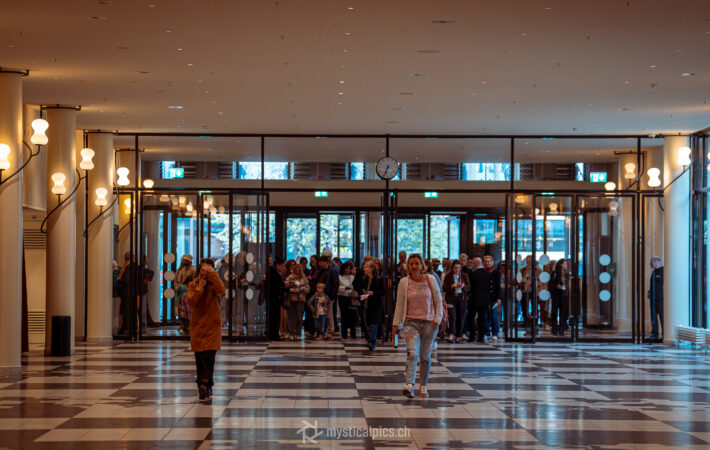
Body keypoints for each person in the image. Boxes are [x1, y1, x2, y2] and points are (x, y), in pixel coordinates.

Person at [392, 253, 443, 398]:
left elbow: (438, 300)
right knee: (412, 354)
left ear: (422, 266)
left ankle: (423, 385)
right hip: (410, 323)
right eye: (411, 264)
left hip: (429, 323)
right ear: (408, 266)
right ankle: (409, 385)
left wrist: (437, 319)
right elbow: (399, 305)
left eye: (417, 263)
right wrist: (395, 324)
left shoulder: (430, 279)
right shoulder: (404, 282)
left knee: (425, 356)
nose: (414, 266)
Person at [187, 258, 225, 401]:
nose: (206, 272)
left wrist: (214, 275)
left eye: (209, 269)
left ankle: (204, 384)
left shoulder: (214, 284)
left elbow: (221, 290)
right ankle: (205, 384)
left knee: (209, 356)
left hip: (212, 325)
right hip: (198, 325)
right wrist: (200, 288)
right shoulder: (193, 284)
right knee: (200, 357)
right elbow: (192, 301)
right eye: (203, 269)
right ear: (199, 270)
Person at [356, 260, 385, 350]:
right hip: (366, 303)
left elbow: (383, 292)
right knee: (367, 324)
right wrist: (363, 292)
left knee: (373, 324)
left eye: (366, 267)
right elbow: (359, 289)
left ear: (371, 268)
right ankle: (370, 340)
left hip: (375, 304)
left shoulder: (379, 279)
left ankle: (372, 342)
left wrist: (373, 293)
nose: (364, 269)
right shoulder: (364, 279)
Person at [443, 260, 470, 343]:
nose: (457, 269)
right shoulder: (448, 276)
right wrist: (452, 286)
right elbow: (444, 288)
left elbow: (469, 287)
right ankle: (451, 334)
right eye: (455, 268)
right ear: (452, 268)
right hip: (451, 298)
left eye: (458, 268)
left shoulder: (464, 275)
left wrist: (463, 286)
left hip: (461, 298)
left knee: (461, 317)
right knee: (452, 316)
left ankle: (458, 335)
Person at [468, 257, 491, 343]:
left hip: (474, 298)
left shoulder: (473, 273)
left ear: (476, 264)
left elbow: (470, 286)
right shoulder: (488, 273)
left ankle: (472, 336)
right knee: (482, 318)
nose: (473, 265)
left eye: (473, 264)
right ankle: (481, 336)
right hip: (485, 299)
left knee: (471, 317)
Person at [285, 264, 310, 340]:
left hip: (300, 299)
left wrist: (302, 288)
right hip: (291, 299)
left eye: (299, 270)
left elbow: (308, 290)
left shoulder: (304, 278)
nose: (297, 272)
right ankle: (291, 332)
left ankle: (298, 333)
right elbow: (285, 286)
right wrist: (290, 287)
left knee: (299, 317)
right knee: (290, 317)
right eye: (296, 270)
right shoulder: (290, 277)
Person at [175, 254, 197, 335]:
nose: (183, 261)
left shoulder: (193, 270)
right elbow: (176, 280)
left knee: (188, 310)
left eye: (185, 260)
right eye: (183, 260)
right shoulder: (181, 270)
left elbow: (195, 281)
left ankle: (189, 327)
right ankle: (184, 326)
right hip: (181, 292)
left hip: (189, 292)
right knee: (181, 310)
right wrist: (177, 287)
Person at [267, 257, 286, 340]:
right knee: (274, 317)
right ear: (277, 265)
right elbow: (276, 284)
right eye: (282, 266)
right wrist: (284, 285)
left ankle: (274, 334)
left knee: (275, 317)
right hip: (274, 299)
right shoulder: (273, 273)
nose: (283, 268)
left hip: (275, 299)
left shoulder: (275, 272)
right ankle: (274, 335)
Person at [550, 259, 570, 337]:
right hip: (556, 295)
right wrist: (556, 286)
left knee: (563, 312)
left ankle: (561, 328)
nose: (566, 265)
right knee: (554, 312)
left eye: (566, 264)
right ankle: (554, 328)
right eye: (565, 264)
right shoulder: (554, 273)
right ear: (561, 264)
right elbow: (551, 284)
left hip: (564, 295)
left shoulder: (566, 274)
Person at [483, 255, 501, 340]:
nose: (487, 263)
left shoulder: (496, 272)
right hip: (485, 298)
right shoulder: (483, 272)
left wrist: (498, 298)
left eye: (488, 261)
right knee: (485, 316)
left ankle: (495, 333)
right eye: (485, 261)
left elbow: (498, 286)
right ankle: (486, 332)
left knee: (494, 316)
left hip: (493, 297)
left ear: (492, 262)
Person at [338, 262, 357, 339]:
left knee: (353, 315)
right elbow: (337, 288)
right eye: (346, 268)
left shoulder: (352, 277)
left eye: (349, 268)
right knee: (344, 315)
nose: (348, 270)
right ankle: (344, 333)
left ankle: (353, 333)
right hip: (343, 297)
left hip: (352, 297)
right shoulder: (339, 277)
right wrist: (345, 288)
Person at [648, 256, 664, 339]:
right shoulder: (654, 272)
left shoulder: (663, 271)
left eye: (651, 263)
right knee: (653, 317)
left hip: (661, 299)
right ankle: (654, 333)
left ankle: (664, 333)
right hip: (653, 299)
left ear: (656, 262)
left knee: (662, 317)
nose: (651, 264)